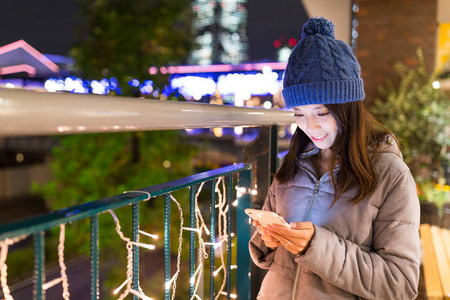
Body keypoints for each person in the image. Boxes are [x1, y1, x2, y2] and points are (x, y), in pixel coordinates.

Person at [249, 17, 420, 300]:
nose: (310, 126)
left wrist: (316, 247)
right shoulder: (292, 163)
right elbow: (264, 255)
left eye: (322, 112)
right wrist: (268, 241)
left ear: (347, 107)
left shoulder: (390, 174)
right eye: (299, 114)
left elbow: (400, 284)